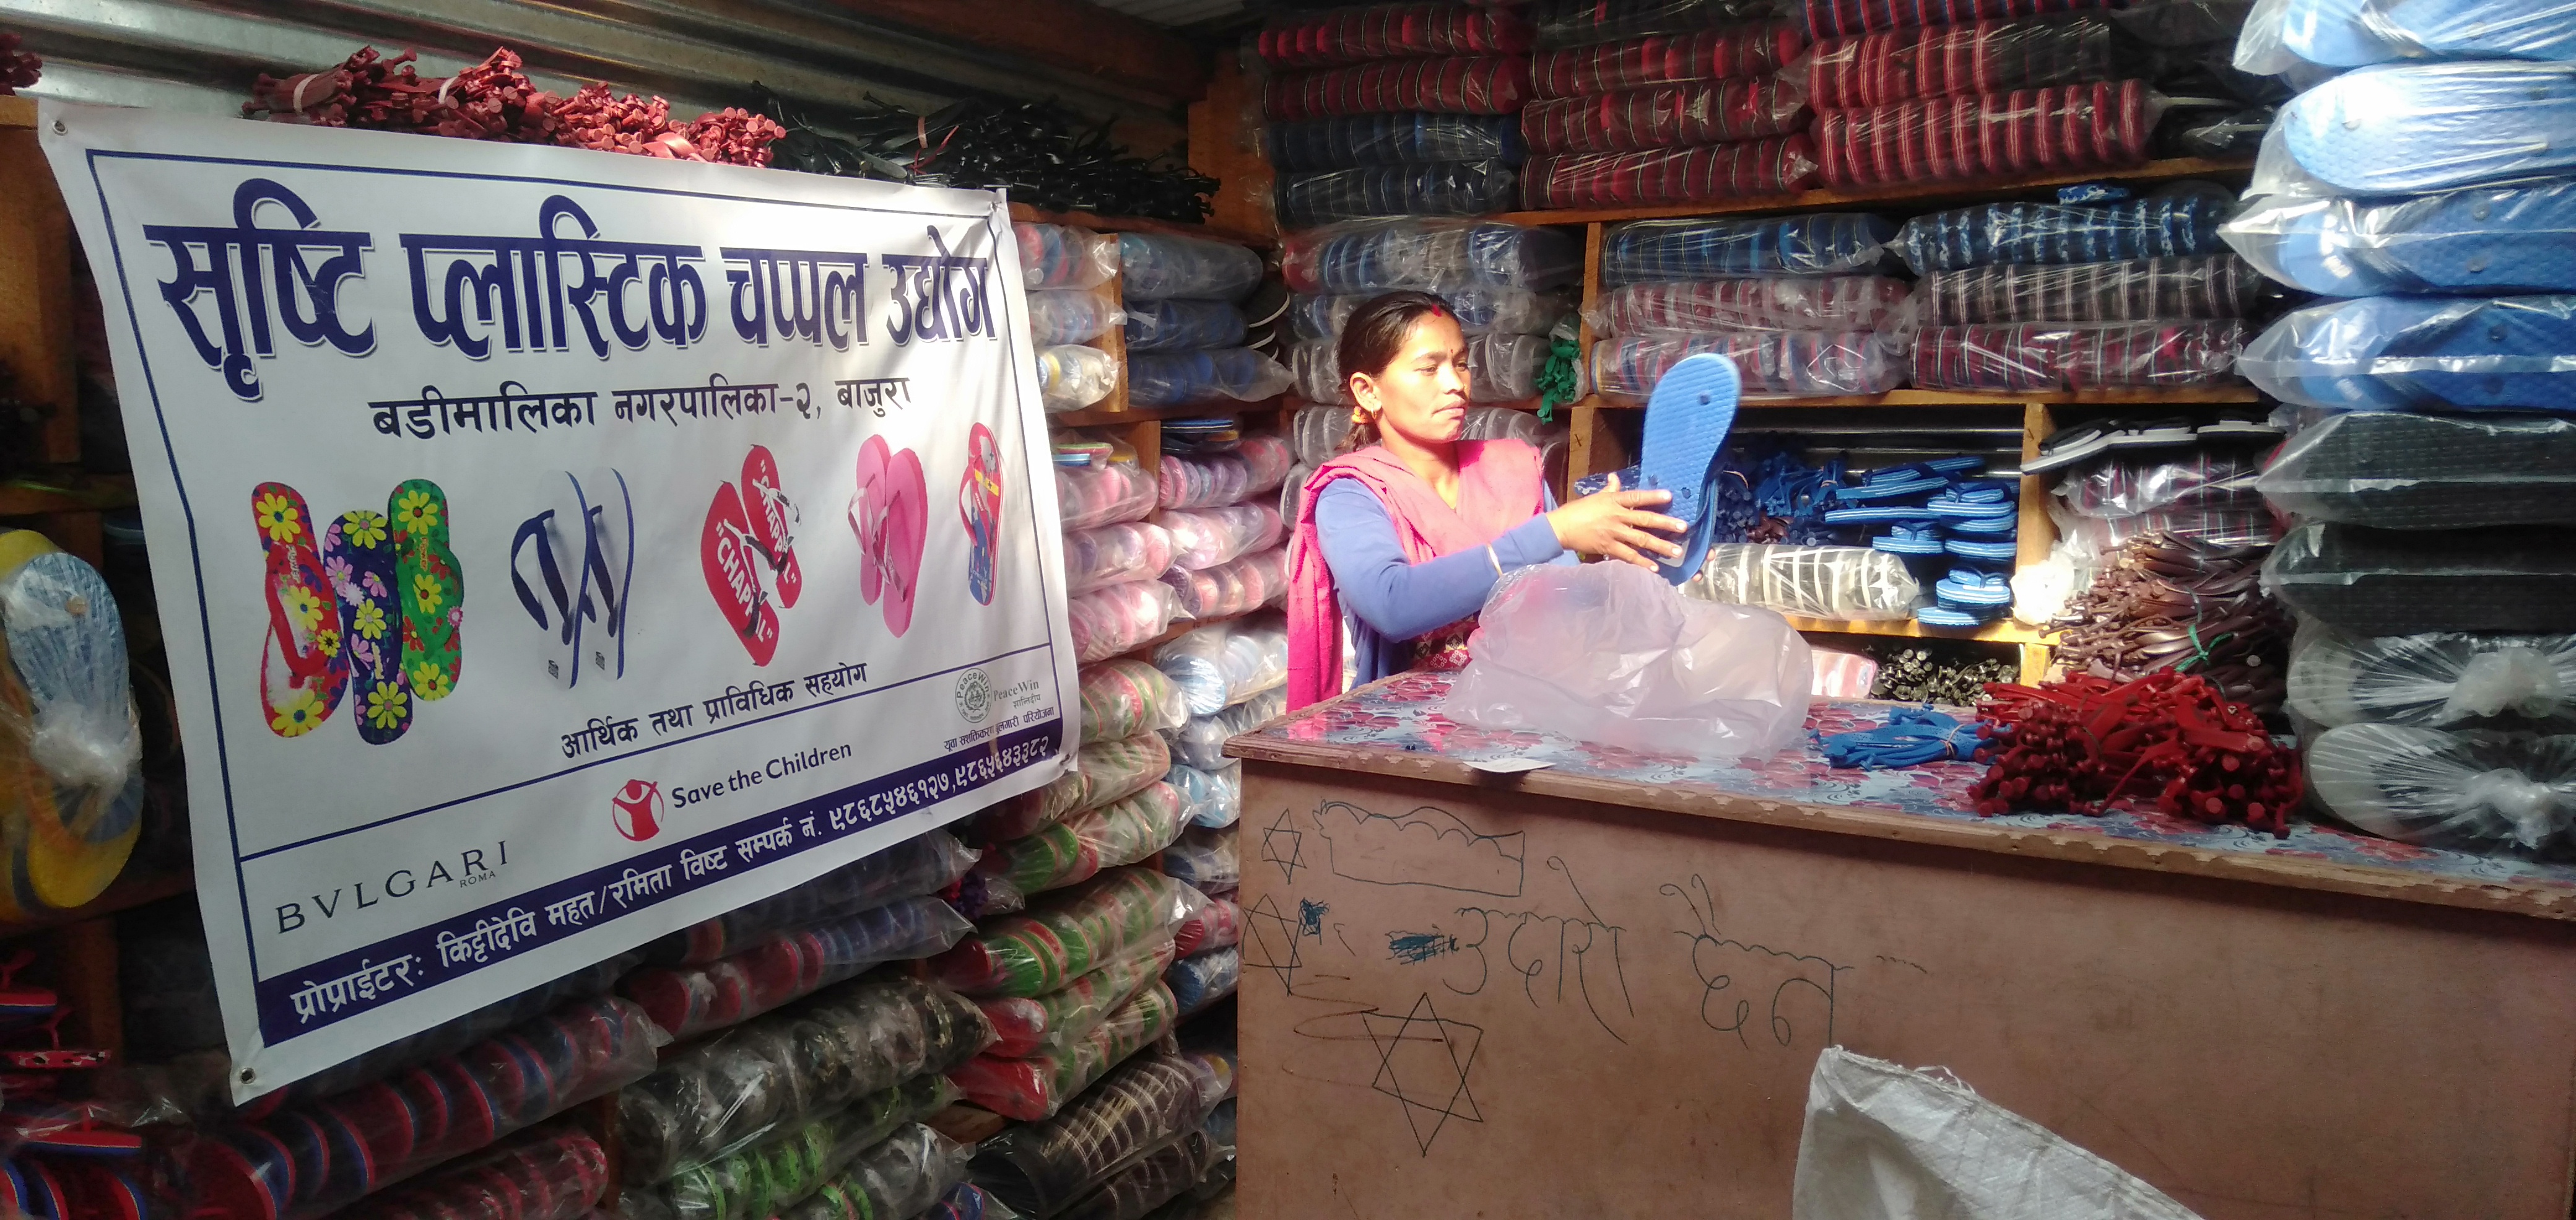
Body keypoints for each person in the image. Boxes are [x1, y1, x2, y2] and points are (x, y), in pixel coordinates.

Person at [1286, 291, 1691, 709]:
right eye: (1429, 368)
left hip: (1524, 710)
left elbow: (1568, 604)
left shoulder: (1510, 469)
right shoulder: (1351, 493)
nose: (1455, 385)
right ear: (1368, 392)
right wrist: (1555, 532)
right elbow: (1392, 605)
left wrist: (1638, 565)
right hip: (1408, 730)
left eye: (1460, 364)